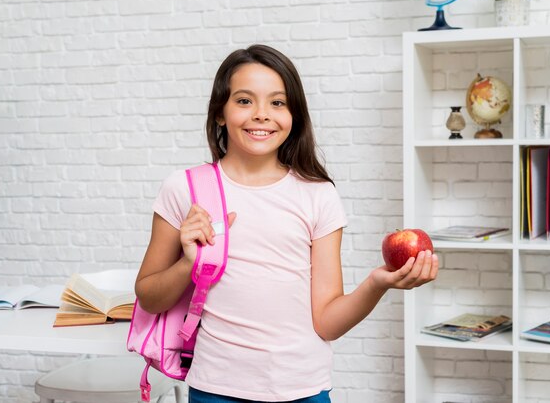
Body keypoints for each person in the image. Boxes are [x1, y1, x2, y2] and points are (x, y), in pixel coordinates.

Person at [135, 44, 439, 403]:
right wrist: (189, 262)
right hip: (216, 387)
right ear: (220, 112)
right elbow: (149, 298)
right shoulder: (185, 189)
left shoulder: (317, 195)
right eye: (245, 101)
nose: (262, 114)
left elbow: (326, 322)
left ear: (294, 114)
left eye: (277, 103)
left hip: (304, 388)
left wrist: (377, 284)